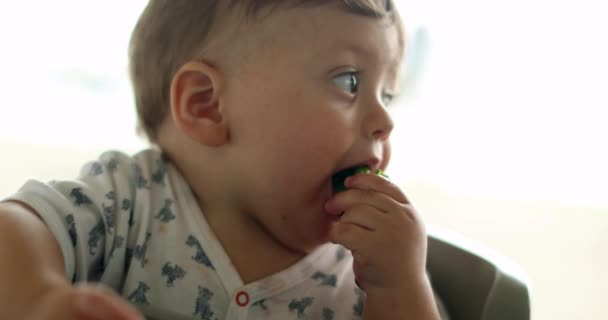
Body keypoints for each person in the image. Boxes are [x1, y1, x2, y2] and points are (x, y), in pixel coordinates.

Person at [0, 1, 448, 319]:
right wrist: (38, 300)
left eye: (387, 93)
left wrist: (401, 289)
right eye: (349, 81)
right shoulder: (129, 203)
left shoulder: (367, 275)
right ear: (206, 105)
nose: (385, 119)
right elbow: (13, 227)